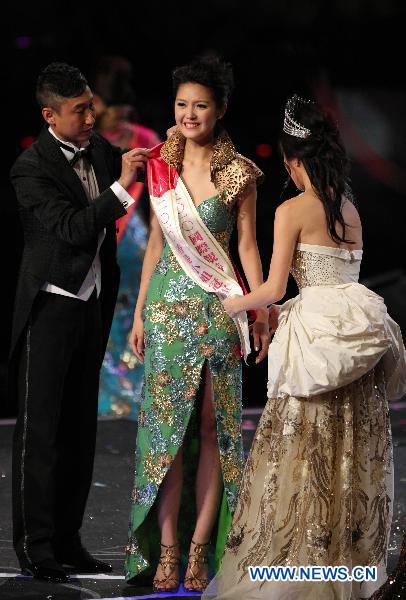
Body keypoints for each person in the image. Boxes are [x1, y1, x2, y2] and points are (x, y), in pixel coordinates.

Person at [203, 94, 406, 599]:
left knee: (303, 454)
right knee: (349, 452)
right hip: (356, 333)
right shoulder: (350, 208)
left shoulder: (293, 209)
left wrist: (228, 304)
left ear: (294, 160)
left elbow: (274, 291)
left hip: (316, 340)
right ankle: (348, 571)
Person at [125, 54, 269, 592]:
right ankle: (164, 549)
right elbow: (157, 244)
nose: (189, 114)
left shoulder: (240, 174)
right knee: (167, 433)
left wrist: (258, 308)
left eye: (200, 105)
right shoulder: (161, 163)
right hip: (166, 309)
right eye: (182, 104)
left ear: (221, 109)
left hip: (217, 311)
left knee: (211, 430)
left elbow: (249, 248)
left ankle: (199, 549)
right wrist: (140, 309)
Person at [9, 62, 148, 583]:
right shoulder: (30, 168)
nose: (92, 117)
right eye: (79, 110)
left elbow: (142, 162)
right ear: (50, 115)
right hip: (49, 306)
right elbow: (70, 228)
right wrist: (121, 187)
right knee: (40, 433)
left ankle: (69, 539)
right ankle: (35, 544)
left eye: (91, 105)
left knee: (79, 431)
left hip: (91, 303)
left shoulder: (101, 151)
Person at [92, 55, 161, 419]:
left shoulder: (143, 139)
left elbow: (160, 192)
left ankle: (132, 393)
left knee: (134, 308)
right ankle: (115, 396)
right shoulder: (98, 140)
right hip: (112, 230)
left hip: (131, 232)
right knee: (111, 309)